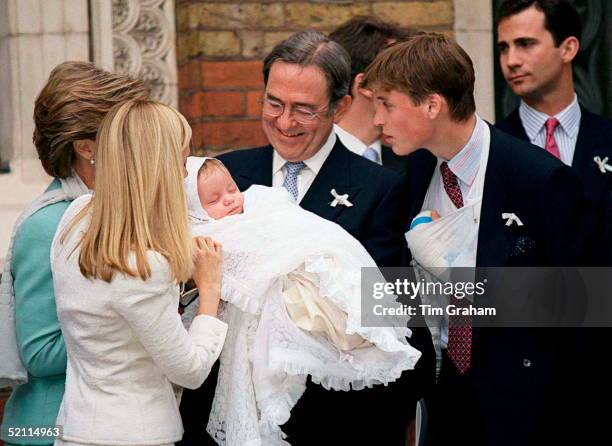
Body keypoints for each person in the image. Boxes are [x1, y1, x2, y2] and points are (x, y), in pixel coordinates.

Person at [179, 30, 435, 446]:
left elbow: (390, 309)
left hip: (333, 421)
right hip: (225, 416)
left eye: (303, 110)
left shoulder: (380, 188)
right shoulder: (222, 177)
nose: (284, 122)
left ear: (341, 106)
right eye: (274, 103)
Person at [362, 32, 592, 445]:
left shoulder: (540, 179)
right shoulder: (411, 173)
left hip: (524, 408)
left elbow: (584, 301)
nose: (377, 120)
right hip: (440, 395)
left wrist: (459, 278)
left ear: (432, 105)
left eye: (386, 104)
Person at [183, 156, 421, 444]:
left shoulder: (379, 183)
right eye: (215, 199)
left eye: (232, 190)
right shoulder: (204, 233)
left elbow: (327, 242)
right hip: (251, 360)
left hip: (337, 408)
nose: (230, 200)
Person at [49, 100, 227, 446]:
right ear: (156, 168)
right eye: (180, 161)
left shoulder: (74, 216)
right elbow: (190, 371)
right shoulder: (144, 266)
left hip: (75, 427)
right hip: (134, 435)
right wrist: (209, 288)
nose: (184, 174)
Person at [0, 62, 149, 446]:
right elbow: (39, 353)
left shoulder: (112, 210)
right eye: (126, 131)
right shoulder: (48, 224)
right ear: (87, 148)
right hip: (46, 429)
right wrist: (142, 324)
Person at [495, 0, 612, 261]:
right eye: (504, 48)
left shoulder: (607, 139)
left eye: (525, 44)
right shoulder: (490, 148)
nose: (511, 60)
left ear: (568, 48)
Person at [329, 16, 416, 173]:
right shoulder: (308, 159)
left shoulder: (413, 166)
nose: (415, 85)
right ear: (366, 85)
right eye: (403, 74)